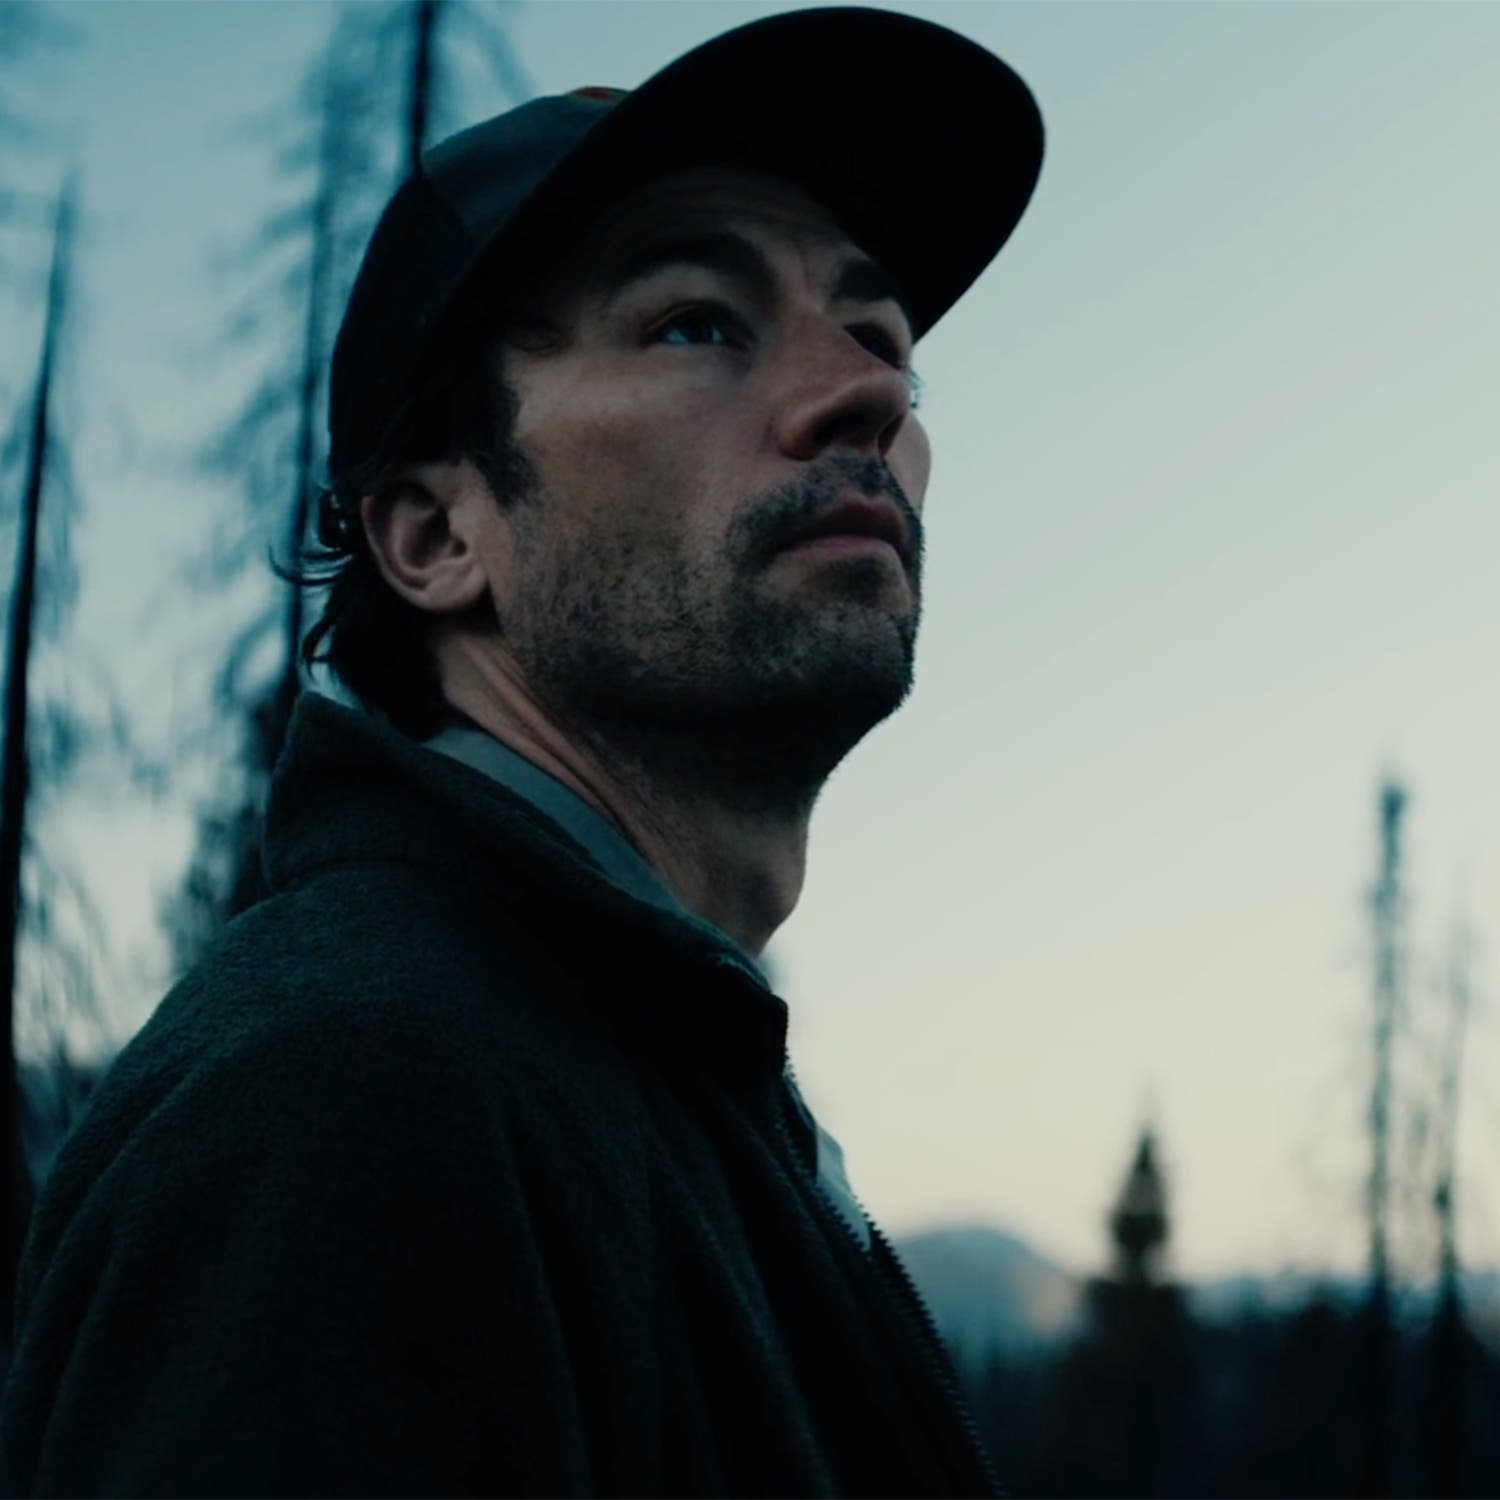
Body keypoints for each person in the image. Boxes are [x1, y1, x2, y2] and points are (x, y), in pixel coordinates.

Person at [0, 8, 1042, 1496]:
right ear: (436, 536)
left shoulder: (629, 1079)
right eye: (698, 321)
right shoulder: (353, 1102)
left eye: (881, 338)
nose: (869, 392)